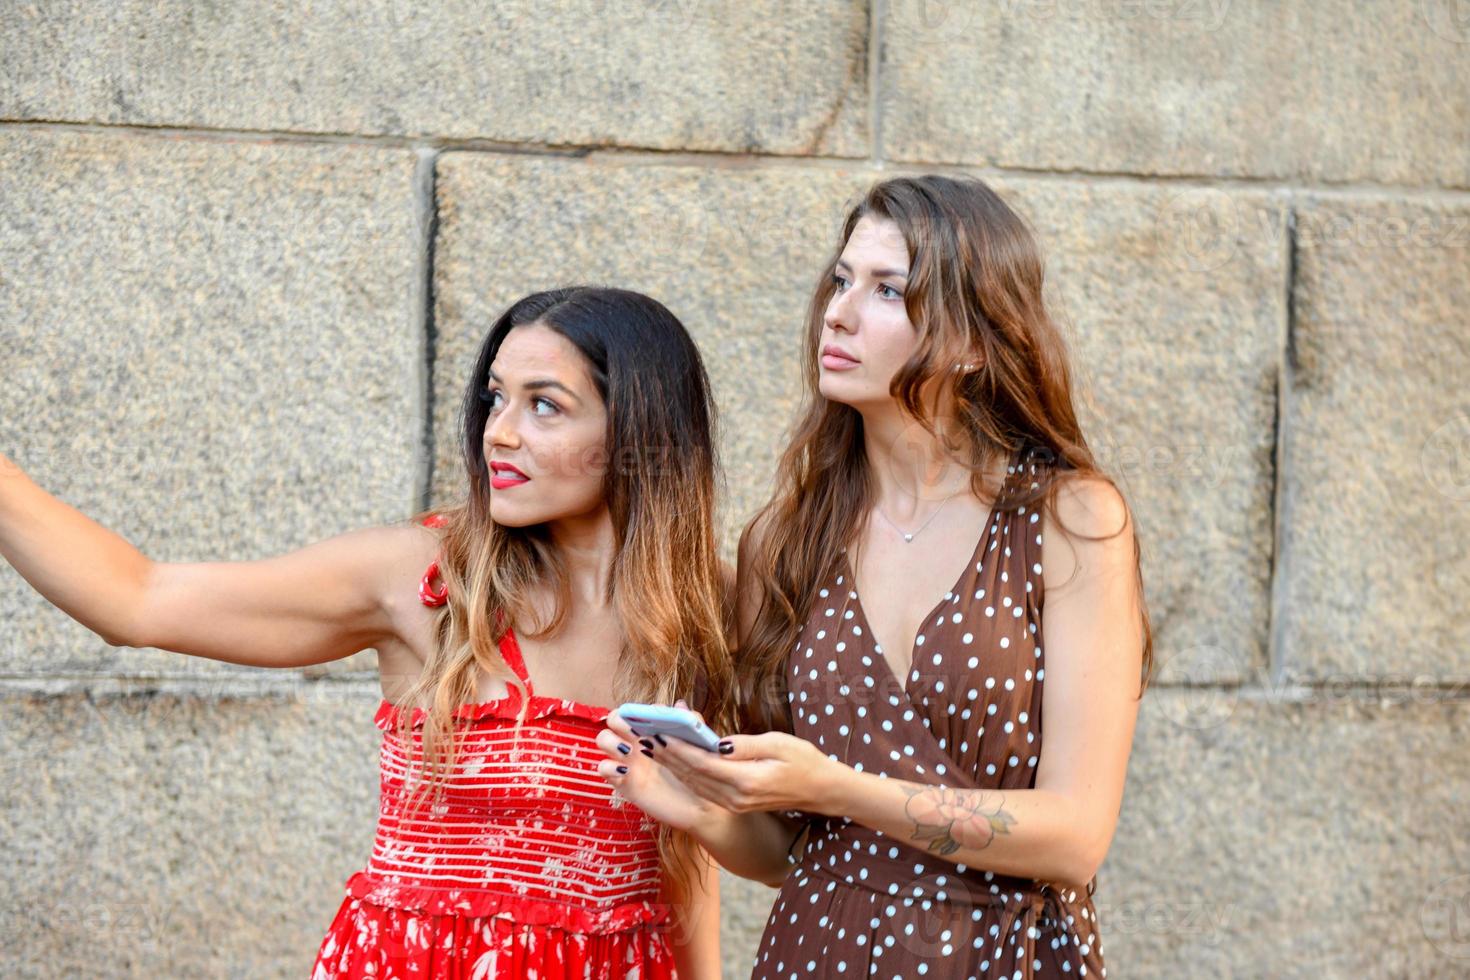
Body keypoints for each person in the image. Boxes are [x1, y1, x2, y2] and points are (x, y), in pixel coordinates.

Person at [0, 286, 732, 979]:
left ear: (640, 429)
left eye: (545, 406)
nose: (498, 433)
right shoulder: (420, 581)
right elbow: (136, 600)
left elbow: (687, 852)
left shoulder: (707, 609)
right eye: (495, 398)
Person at [596, 176, 1156, 978]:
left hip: (1001, 958)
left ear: (973, 339)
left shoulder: (1069, 521)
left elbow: (1074, 837)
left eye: (887, 290)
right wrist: (704, 808)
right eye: (841, 279)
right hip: (817, 951)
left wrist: (839, 787)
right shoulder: (787, 543)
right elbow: (798, 853)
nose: (840, 311)